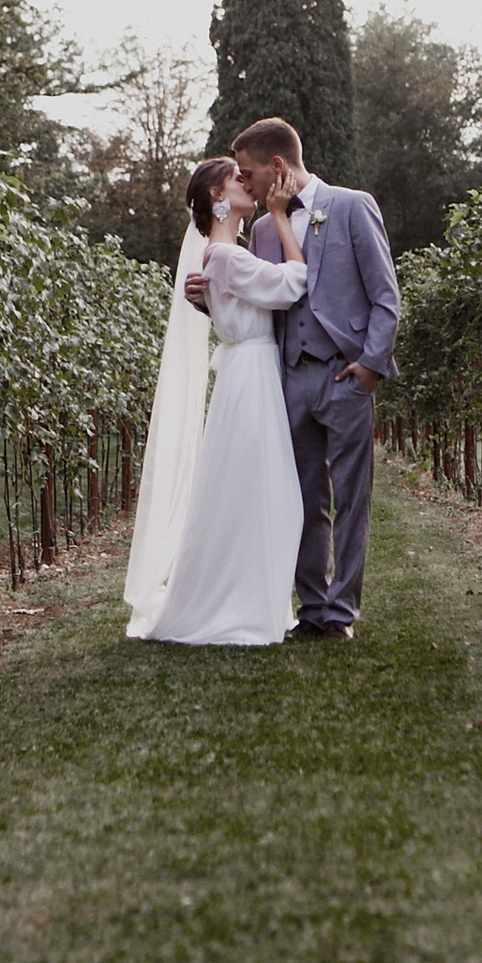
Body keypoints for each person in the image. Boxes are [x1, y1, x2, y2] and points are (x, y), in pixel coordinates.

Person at [183, 118, 399, 641]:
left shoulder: (352, 206)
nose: (247, 183)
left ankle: (342, 613)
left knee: (351, 497)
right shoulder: (261, 230)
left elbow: (386, 297)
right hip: (287, 379)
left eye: (250, 172)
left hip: (345, 377)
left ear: (277, 166)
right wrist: (209, 303)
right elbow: (259, 305)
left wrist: (370, 368)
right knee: (302, 498)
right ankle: (313, 609)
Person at [124, 157, 312, 645]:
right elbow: (294, 284)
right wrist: (279, 216)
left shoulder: (220, 255)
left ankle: (253, 600)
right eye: (236, 178)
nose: (246, 183)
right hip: (250, 375)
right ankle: (241, 606)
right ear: (216, 196)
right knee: (266, 495)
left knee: (255, 494)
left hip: (248, 373)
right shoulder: (225, 256)